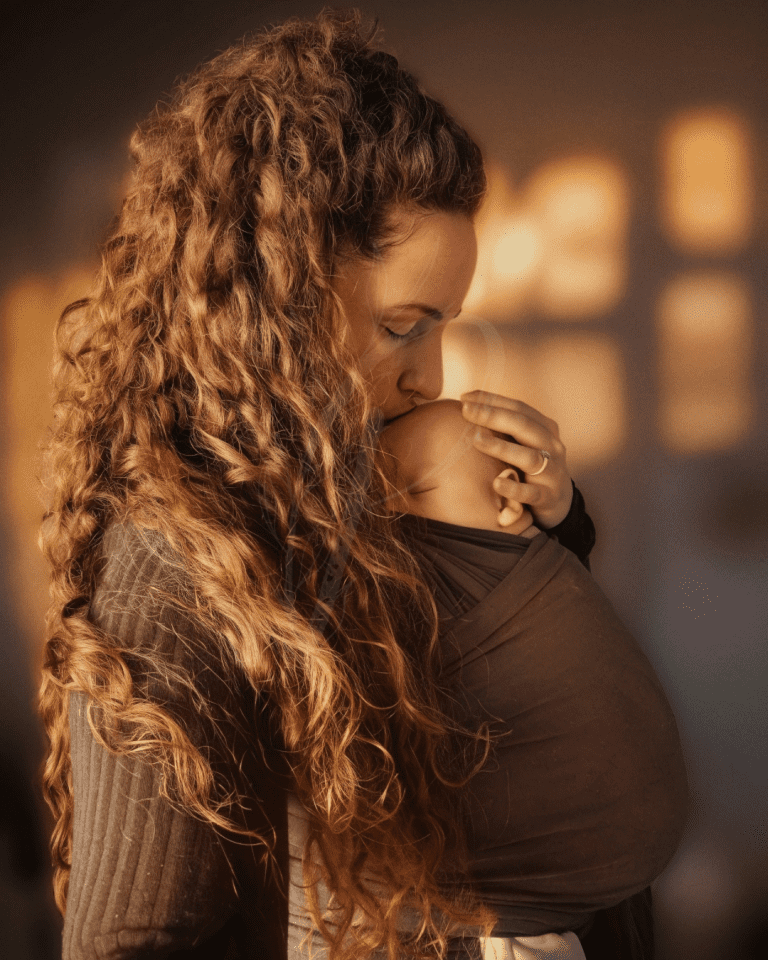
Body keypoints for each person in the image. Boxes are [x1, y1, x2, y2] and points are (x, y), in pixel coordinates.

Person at [36, 10, 677, 960]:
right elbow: (131, 941)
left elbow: (502, 736)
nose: (433, 375)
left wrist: (547, 543)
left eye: (447, 326)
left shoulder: (360, 493)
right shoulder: (172, 575)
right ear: (275, 296)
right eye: (405, 325)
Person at [378, 399, 690, 959]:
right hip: (470, 923)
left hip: (592, 920)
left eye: (411, 493)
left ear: (507, 499)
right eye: (400, 327)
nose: (382, 517)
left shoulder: (520, 555)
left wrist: (564, 521)